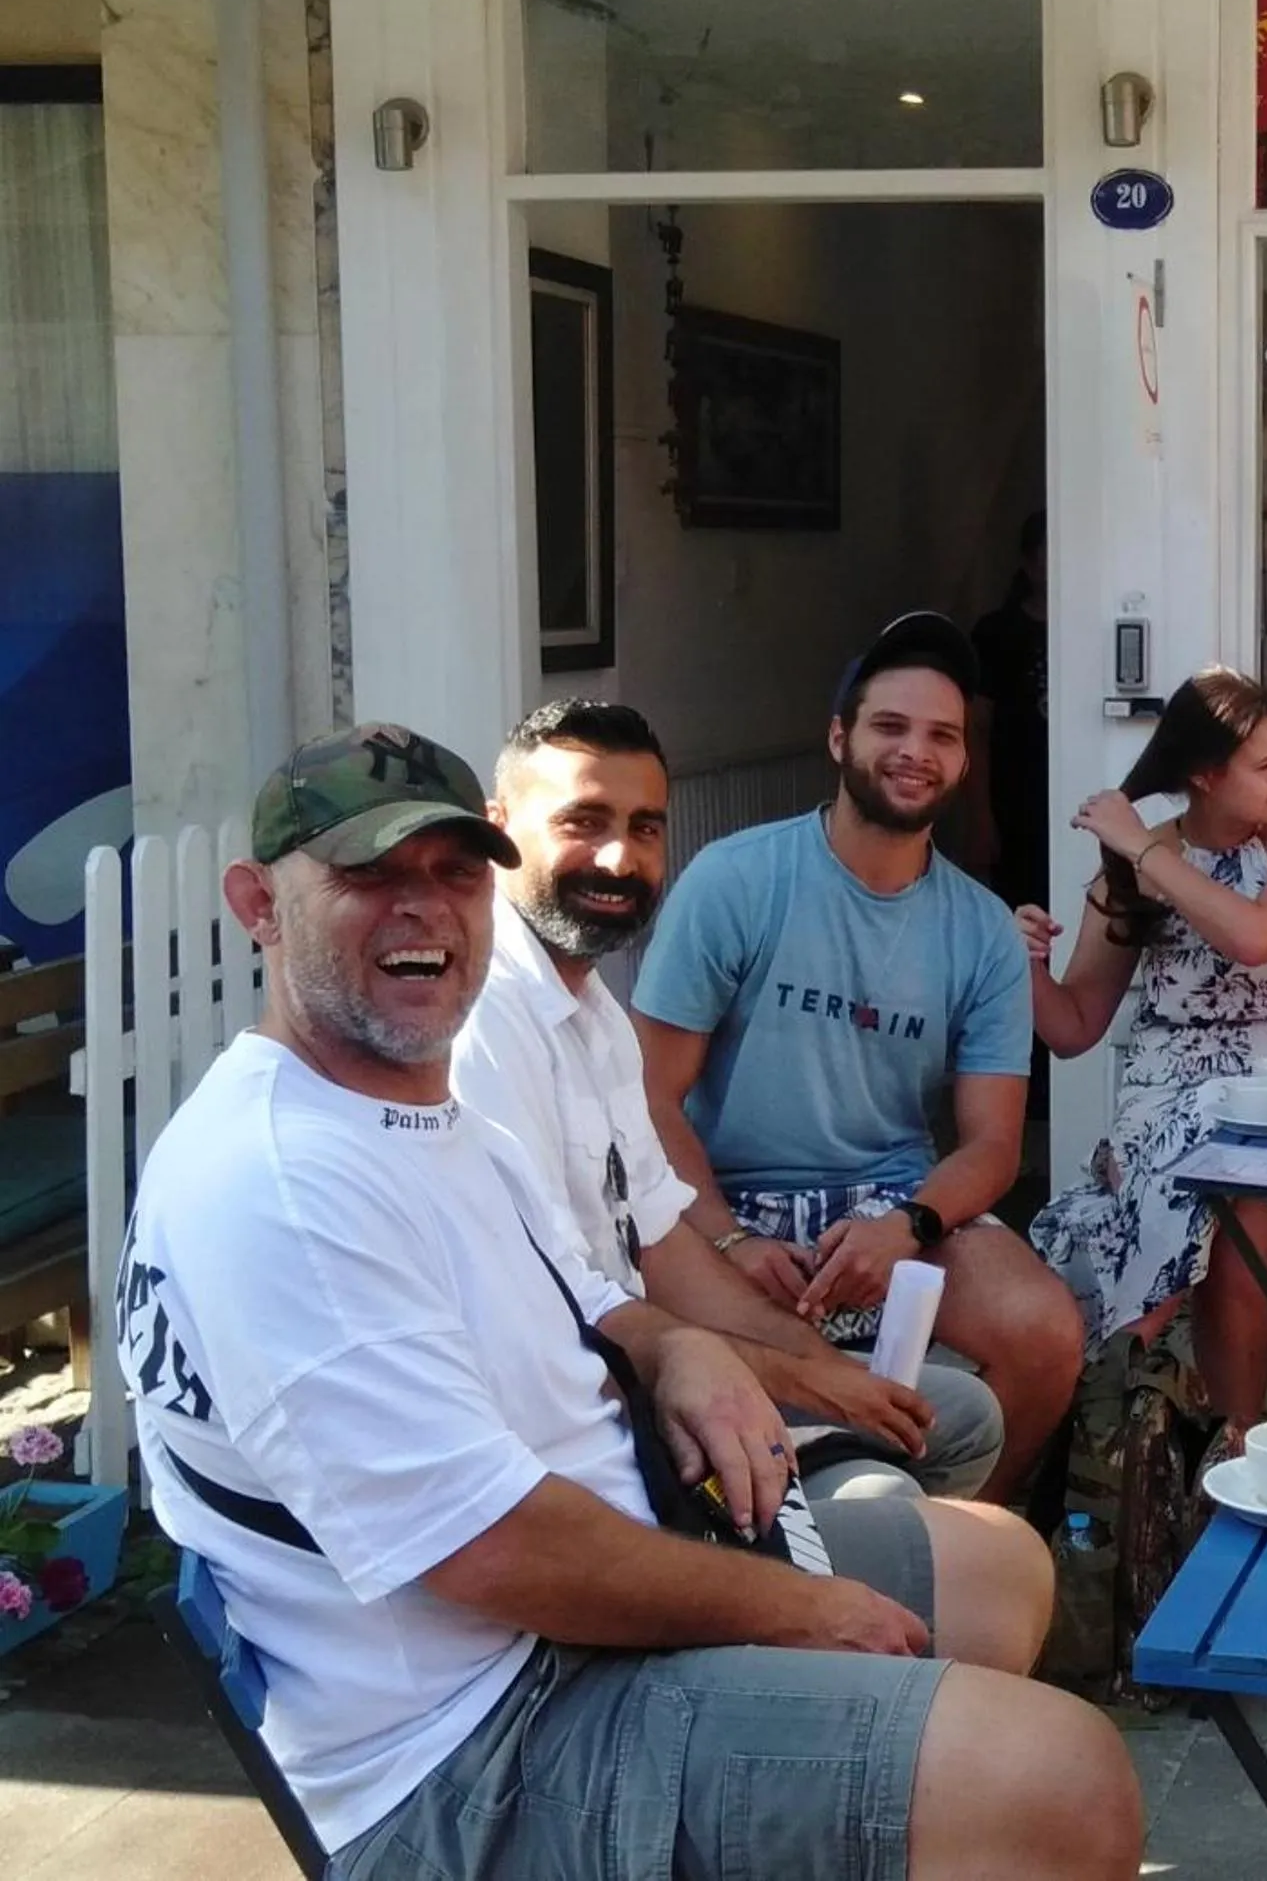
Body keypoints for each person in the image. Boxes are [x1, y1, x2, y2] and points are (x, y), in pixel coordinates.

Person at [120, 721, 1141, 1880]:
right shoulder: (283, 1182)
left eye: (453, 875)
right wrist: (796, 1612)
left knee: (1001, 1573)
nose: (423, 909)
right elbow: (496, 1552)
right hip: (476, 1744)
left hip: (599, 1564)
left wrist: (677, 1352)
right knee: (1059, 1784)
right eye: (368, 876)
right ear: (259, 904)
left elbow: (600, 1293)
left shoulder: (424, 1104)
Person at [454, 698, 1004, 1501]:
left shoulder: (593, 1009)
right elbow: (567, 1320)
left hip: (656, 1360)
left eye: (644, 827)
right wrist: (804, 1382)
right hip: (593, 1424)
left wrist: (820, 1369)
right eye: (584, 821)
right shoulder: (482, 1027)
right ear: (497, 828)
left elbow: (661, 1241)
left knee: (954, 1414)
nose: (617, 858)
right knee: (915, 1497)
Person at [631, 613, 1084, 1506]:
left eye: (941, 736)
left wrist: (904, 1227)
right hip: (726, 1199)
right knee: (742, 1346)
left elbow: (992, 1146)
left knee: (1046, 1329)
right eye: (890, 726)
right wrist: (727, 1235)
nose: (915, 751)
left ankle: (955, 1549)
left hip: (890, 1204)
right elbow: (647, 1095)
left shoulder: (983, 929)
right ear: (840, 738)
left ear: (960, 763)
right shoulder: (735, 880)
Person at [1021, 670, 1267, 1445]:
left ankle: (1131, 1351)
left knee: (1224, 1157)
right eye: (1266, 765)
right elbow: (1072, 1027)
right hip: (1164, 1093)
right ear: (1204, 775)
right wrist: (1023, 965)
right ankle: (1235, 1437)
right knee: (1234, 1198)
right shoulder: (1140, 862)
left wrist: (1142, 849)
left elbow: (1254, 935)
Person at [968, 511, 1049, 906]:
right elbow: (976, 728)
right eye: (1047, 553)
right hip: (1014, 802)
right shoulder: (995, 633)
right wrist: (981, 817)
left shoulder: (1090, 625)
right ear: (1029, 563)